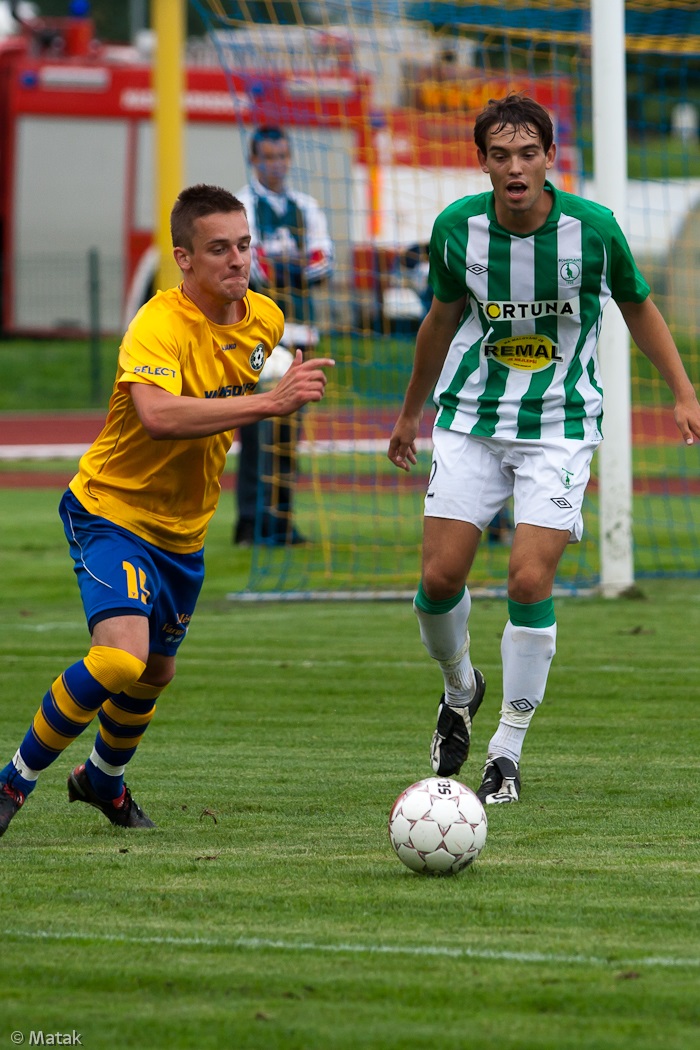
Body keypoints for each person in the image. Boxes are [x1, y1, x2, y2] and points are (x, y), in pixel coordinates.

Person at [388, 93, 700, 805]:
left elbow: (639, 304)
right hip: (468, 418)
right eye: (501, 155)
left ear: (550, 158)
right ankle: (460, 688)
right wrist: (410, 415)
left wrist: (683, 391)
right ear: (484, 164)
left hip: (560, 424)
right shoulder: (456, 230)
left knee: (529, 580)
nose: (515, 167)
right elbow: (438, 323)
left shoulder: (592, 230)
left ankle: (506, 751)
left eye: (528, 153)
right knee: (440, 580)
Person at [0, 184, 333, 839]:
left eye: (243, 245)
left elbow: (254, 371)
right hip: (111, 512)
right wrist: (268, 404)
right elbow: (156, 417)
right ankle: (13, 781)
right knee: (121, 659)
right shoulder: (158, 323)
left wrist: (287, 385)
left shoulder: (265, 319)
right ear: (184, 258)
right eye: (218, 249)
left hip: (184, 531)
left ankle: (102, 781)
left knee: (156, 670)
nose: (237, 261)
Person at [234, 125, 334, 547]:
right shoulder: (243, 204)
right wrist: (293, 264)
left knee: (290, 434)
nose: (275, 164)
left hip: (299, 333)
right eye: (267, 157)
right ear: (254, 159)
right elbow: (254, 269)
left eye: (281, 156)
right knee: (257, 428)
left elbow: (323, 263)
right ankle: (252, 522)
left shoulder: (305, 206)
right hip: (258, 334)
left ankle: (282, 521)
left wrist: (288, 266)